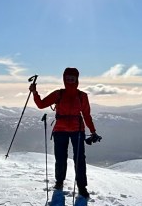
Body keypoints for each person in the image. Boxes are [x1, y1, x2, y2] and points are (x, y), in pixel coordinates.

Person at [30, 67, 101, 197]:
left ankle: (80, 186)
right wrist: (35, 93)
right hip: (62, 130)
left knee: (79, 159)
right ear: (64, 78)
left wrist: (93, 131)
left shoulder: (82, 96)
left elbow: (87, 115)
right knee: (61, 158)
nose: (70, 80)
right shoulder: (59, 94)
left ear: (77, 79)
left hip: (76, 130)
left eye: (72, 78)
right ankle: (61, 182)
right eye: (68, 78)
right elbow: (41, 104)